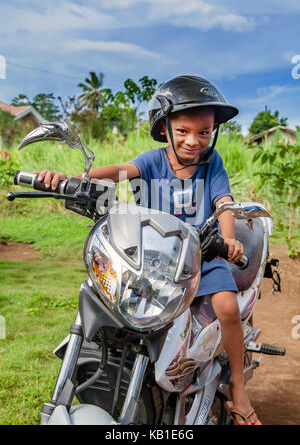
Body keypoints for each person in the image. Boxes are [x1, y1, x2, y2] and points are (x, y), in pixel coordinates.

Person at [37, 75, 261, 425]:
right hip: (156, 260)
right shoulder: (152, 161)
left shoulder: (212, 163)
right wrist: (77, 180)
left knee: (226, 306)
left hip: (201, 256)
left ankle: (238, 387)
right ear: (164, 129)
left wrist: (228, 240)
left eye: (204, 132)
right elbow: (120, 171)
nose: (194, 141)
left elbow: (225, 204)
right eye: (184, 131)